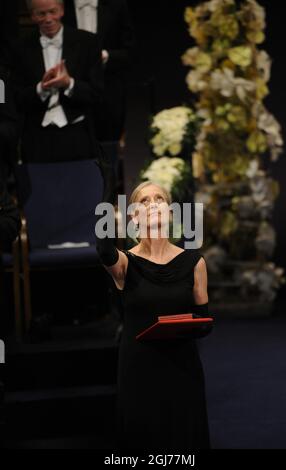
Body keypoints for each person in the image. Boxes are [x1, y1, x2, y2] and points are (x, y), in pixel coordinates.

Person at [96, 158, 211, 450]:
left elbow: (204, 320)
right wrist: (110, 190)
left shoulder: (195, 263)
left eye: (159, 199)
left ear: (171, 212)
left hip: (181, 366)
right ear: (134, 217)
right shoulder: (125, 263)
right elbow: (103, 247)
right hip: (139, 368)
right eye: (144, 202)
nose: (153, 204)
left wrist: (188, 326)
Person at [12, 0, 104, 163]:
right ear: (32, 16)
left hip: (78, 134)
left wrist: (69, 83)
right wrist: (42, 88)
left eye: (52, 12)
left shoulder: (87, 43)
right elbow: (16, 98)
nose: (48, 19)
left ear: (62, 10)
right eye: (41, 14)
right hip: (36, 137)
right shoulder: (20, 48)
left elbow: (97, 93)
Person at [63, 0, 134, 141]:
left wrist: (105, 56)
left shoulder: (116, 5)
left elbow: (130, 53)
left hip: (109, 93)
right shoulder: (60, 6)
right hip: (70, 99)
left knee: (108, 152)